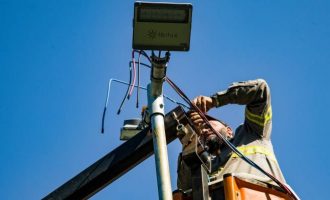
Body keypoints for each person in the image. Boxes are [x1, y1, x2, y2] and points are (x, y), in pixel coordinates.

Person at [177, 79, 286, 193]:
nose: (204, 129)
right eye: (201, 129)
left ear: (229, 130)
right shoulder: (204, 166)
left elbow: (260, 90)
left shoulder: (252, 133)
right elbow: (185, 189)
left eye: (208, 124)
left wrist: (214, 101)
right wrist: (191, 137)